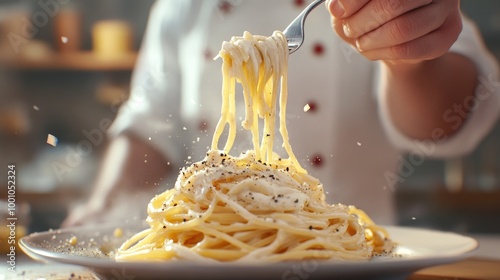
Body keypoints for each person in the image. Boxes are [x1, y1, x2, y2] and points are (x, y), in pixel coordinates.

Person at [63, 0, 500, 227]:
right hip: (202, 258)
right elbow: (148, 125)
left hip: (352, 260)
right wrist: (104, 207)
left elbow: (443, 120)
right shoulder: (182, 5)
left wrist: (408, 55)